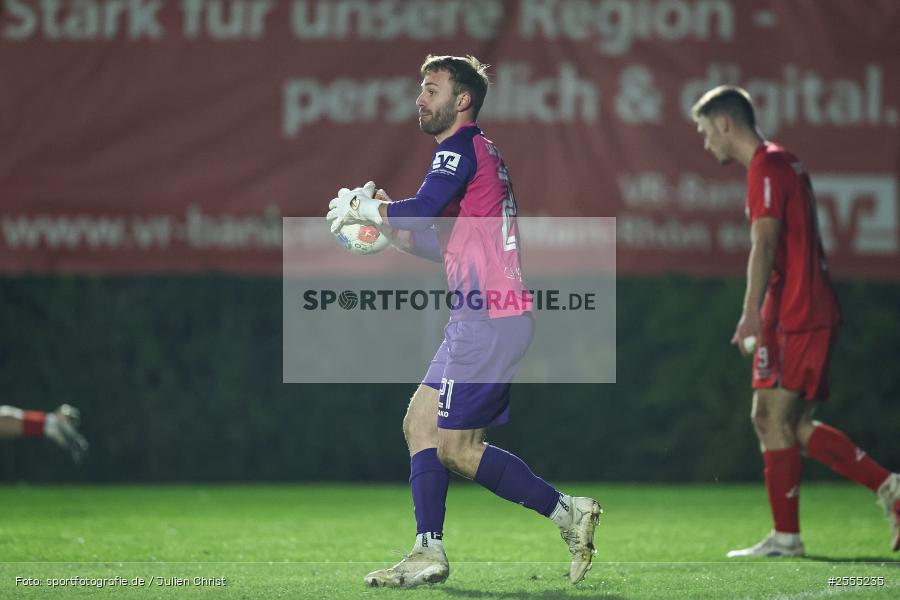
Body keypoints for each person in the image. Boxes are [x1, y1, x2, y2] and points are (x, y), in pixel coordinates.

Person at [326, 54, 602, 587]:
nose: (420, 98)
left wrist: (370, 210)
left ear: (462, 100)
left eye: (432, 89)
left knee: (457, 449)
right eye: (421, 89)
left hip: (489, 317)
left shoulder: (458, 149)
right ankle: (427, 551)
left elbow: (424, 209)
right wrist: (390, 226)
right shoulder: (478, 153)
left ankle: (568, 512)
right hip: (477, 317)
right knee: (420, 424)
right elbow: (442, 242)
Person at [692, 85, 899, 557]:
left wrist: (750, 312)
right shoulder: (781, 161)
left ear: (725, 123)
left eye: (705, 131)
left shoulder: (767, 165)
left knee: (772, 418)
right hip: (798, 309)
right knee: (787, 423)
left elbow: (765, 242)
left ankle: (793, 535)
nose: (706, 142)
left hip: (797, 312)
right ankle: (883, 490)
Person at [0, 404, 88, 463]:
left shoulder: (55, 429)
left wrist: (73, 448)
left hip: (25, 427)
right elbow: (62, 412)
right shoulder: (56, 420)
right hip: (25, 419)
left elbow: (62, 441)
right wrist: (75, 437)